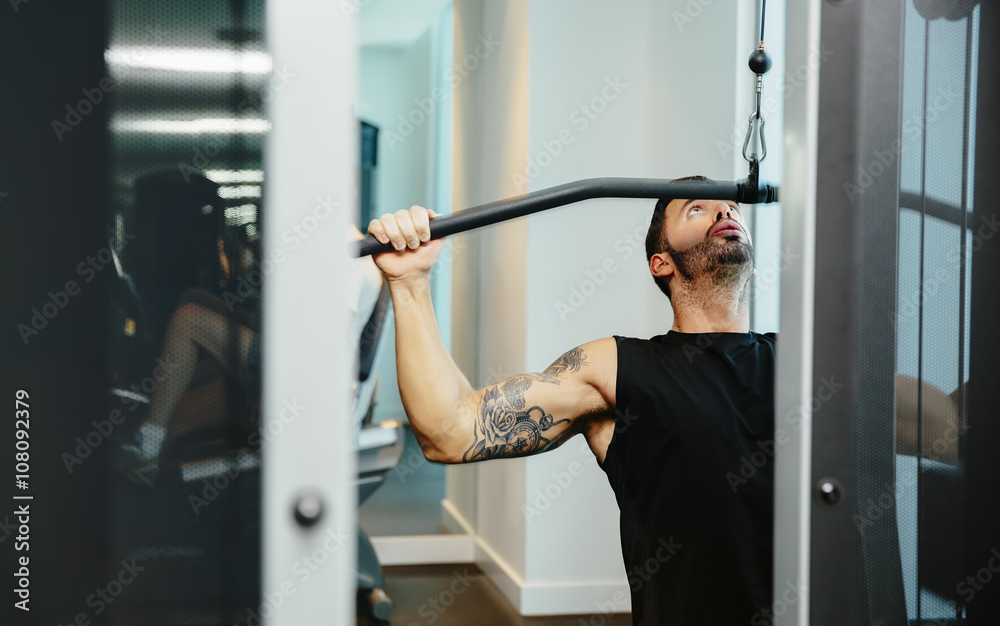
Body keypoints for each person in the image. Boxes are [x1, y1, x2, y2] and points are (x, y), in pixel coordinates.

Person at [366, 187, 771, 625]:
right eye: (697, 208)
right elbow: (450, 430)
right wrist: (409, 282)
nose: (723, 209)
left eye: (730, 206)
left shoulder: (805, 362)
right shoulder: (616, 370)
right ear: (662, 261)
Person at [119, 225, 384, 486]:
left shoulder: (344, 255)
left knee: (188, 320)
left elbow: (327, 350)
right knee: (173, 414)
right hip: (280, 358)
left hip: (293, 380)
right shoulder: (331, 245)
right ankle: (149, 445)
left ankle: (147, 442)